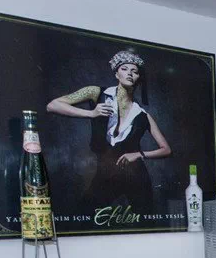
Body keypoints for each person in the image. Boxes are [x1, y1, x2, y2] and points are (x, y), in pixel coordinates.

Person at [47, 50, 171, 213]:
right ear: (116, 74)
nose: (130, 73)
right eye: (124, 69)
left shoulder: (142, 114)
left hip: (136, 176)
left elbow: (166, 149)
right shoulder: (96, 92)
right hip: (105, 174)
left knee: (145, 219)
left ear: (138, 78)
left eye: (134, 71)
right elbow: (53, 105)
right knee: (85, 212)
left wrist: (139, 154)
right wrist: (91, 113)